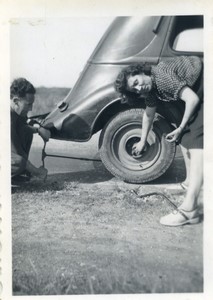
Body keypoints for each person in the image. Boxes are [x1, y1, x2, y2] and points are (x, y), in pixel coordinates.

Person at [114, 56, 203, 226]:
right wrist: (142, 140)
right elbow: (149, 114)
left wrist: (181, 126)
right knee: (185, 138)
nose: (140, 87)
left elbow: (192, 99)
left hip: (204, 81)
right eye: (136, 89)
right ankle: (189, 182)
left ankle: (190, 209)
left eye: (137, 82)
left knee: (197, 140)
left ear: (139, 72)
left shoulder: (160, 76)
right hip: (197, 88)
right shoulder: (151, 89)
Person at [11, 78, 51, 185]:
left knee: (26, 131)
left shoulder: (16, 112)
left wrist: (39, 129)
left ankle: (17, 175)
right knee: (18, 162)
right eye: (28, 104)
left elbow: (24, 125)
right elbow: (16, 153)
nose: (31, 109)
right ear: (16, 101)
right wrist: (37, 172)